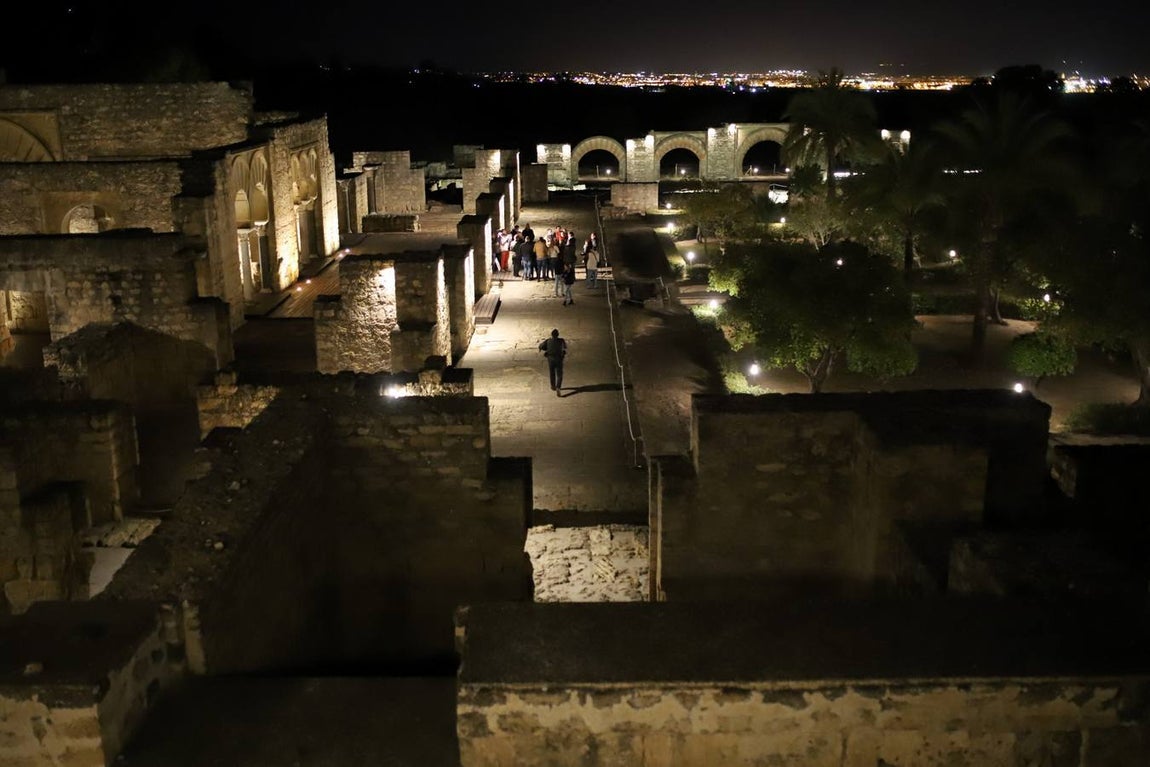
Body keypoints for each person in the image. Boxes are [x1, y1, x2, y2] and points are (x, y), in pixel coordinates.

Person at [539, 328, 567, 395]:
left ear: (551, 335)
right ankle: (558, 387)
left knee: (552, 373)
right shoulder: (561, 340)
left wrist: (547, 348)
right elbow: (565, 347)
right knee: (559, 374)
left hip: (551, 359)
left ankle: (553, 386)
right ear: (558, 335)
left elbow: (541, 346)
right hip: (559, 359)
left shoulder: (548, 340)